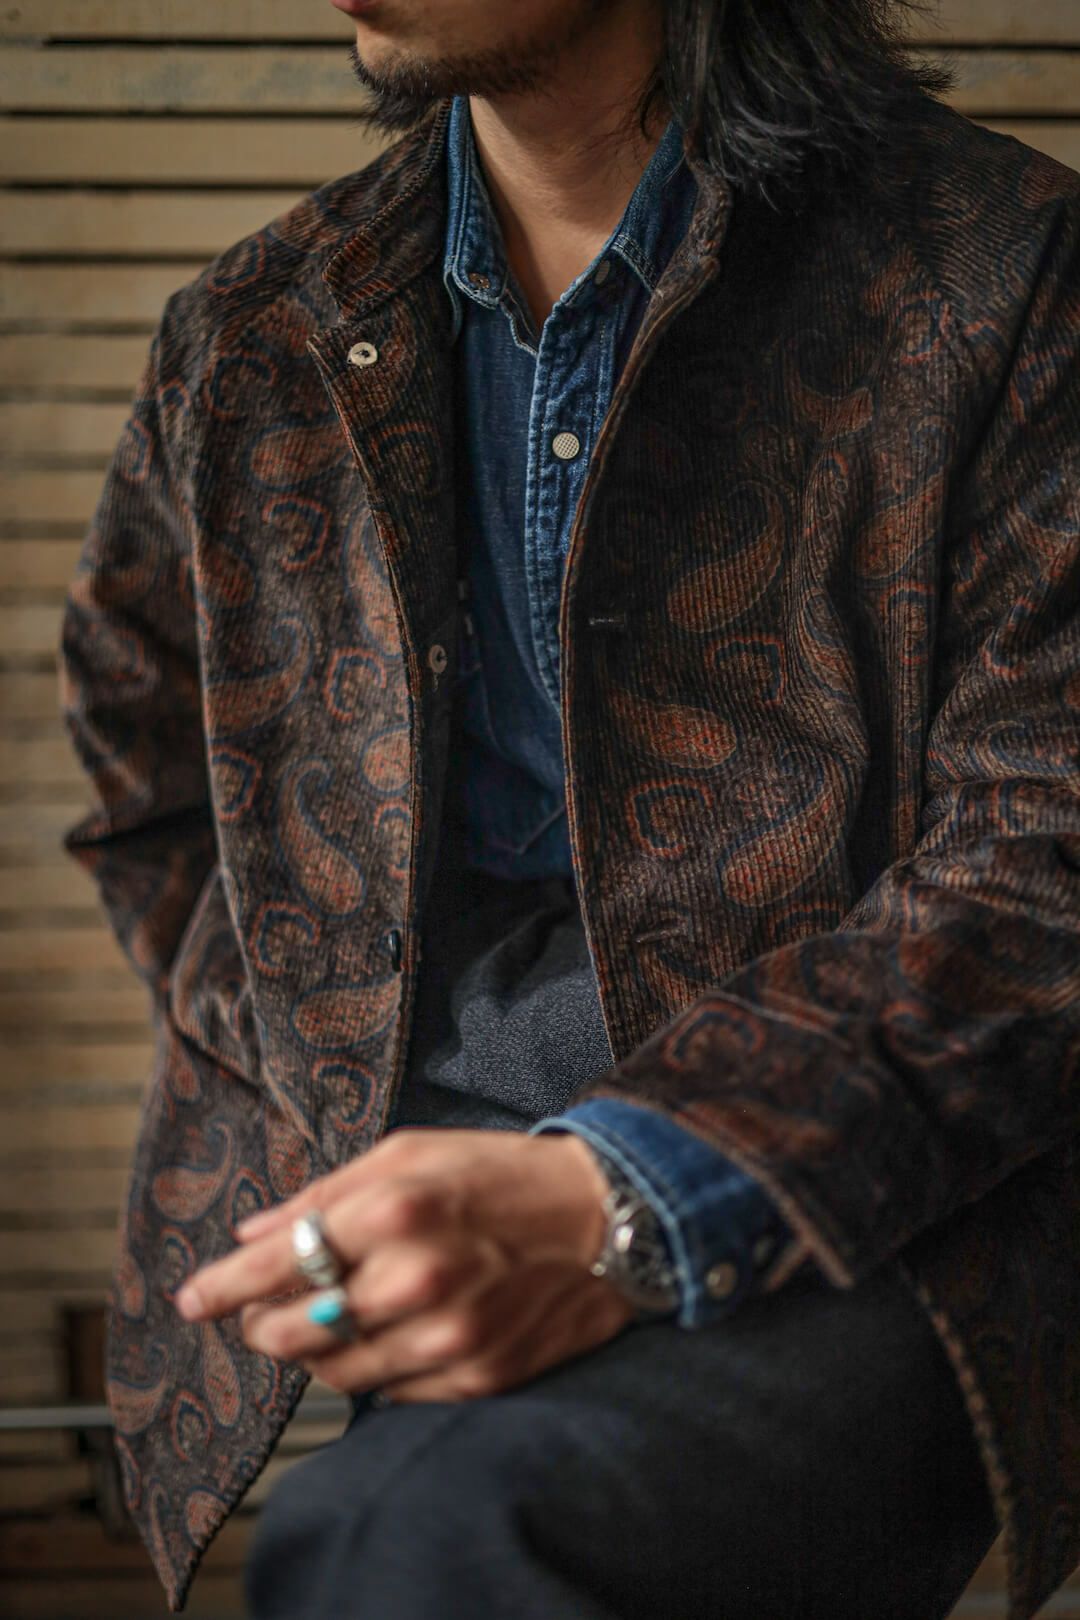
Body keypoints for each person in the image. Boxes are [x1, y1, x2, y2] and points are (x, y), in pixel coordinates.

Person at [58, 0, 1080, 1615]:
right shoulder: (256, 329)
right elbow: (152, 786)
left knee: (420, 1543)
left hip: (873, 1172)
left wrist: (629, 1183)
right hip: (419, 1157)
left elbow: (1046, 868)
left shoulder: (1007, 272)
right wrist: (329, 1074)